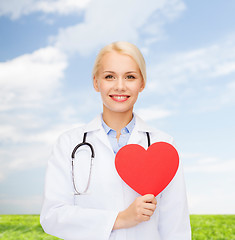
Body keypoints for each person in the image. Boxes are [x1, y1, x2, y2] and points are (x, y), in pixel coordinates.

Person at [40, 41, 191, 240]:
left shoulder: (163, 145)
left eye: (130, 77)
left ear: (142, 83)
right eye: (109, 76)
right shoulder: (69, 144)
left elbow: (176, 227)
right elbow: (53, 216)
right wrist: (120, 219)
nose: (120, 86)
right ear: (96, 82)